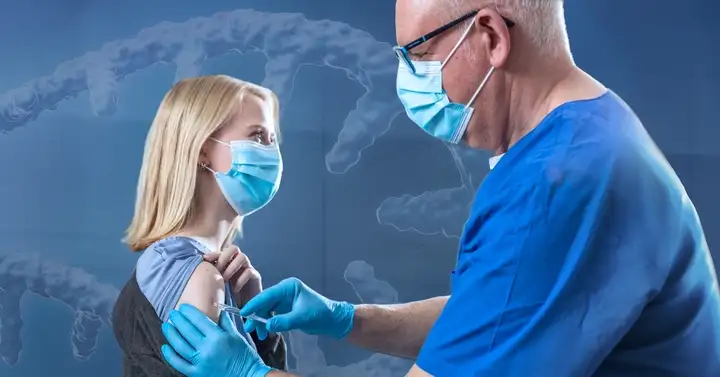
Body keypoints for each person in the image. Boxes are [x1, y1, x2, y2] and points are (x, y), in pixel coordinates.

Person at [160, 1, 720, 376]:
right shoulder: (587, 134)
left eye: (419, 54)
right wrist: (348, 318)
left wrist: (248, 373)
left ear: (491, 36)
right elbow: (498, 314)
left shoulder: (559, 186)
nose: (408, 79)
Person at [111, 75, 288, 376]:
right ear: (203, 150)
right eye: (257, 136)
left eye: (272, 140)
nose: (272, 154)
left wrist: (260, 327)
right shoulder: (203, 276)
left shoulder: (173, 263)